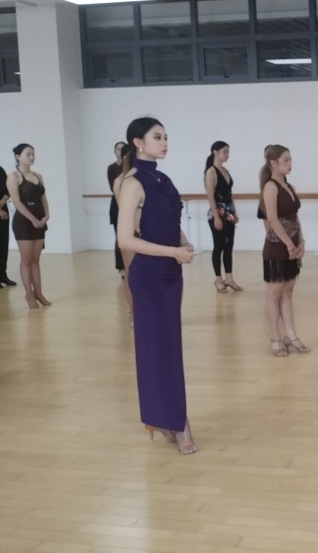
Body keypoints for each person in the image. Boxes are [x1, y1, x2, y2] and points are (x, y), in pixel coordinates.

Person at [117, 117, 197, 455]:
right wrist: (173, 252)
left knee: (170, 348)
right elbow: (125, 239)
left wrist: (183, 242)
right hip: (149, 277)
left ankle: (167, 419)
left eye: (166, 137)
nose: (164, 142)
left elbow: (167, 222)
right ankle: (178, 422)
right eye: (157, 137)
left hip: (170, 274)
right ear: (138, 143)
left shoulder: (163, 178)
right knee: (156, 351)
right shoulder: (133, 183)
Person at [260, 144, 309, 357]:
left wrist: (301, 240)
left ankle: (291, 335)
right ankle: (275, 338)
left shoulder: (289, 185)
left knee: (288, 291)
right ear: (273, 163)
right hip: (277, 246)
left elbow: (294, 216)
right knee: (274, 293)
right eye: (285, 160)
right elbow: (272, 219)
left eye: (290, 159)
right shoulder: (270, 187)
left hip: (293, 245)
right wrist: (289, 244)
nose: (290, 163)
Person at [7, 143, 50, 308]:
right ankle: (29, 295)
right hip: (24, 223)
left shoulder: (38, 175)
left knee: (36, 260)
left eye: (33, 154)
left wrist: (46, 215)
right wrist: (32, 219)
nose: (32, 157)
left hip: (39, 222)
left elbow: (43, 198)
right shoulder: (14, 177)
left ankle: (39, 293)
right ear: (18, 157)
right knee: (26, 260)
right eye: (28, 154)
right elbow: (16, 202)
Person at [204, 140, 242, 293]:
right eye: (225, 151)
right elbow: (210, 196)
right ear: (215, 152)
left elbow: (229, 194)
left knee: (229, 246)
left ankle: (229, 279)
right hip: (217, 213)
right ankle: (218, 279)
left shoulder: (225, 171)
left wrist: (234, 212)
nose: (227, 154)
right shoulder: (211, 172)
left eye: (228, 151)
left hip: (228, 213)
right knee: (218, 246)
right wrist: (216, 217)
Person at [113, 144, 137, 317]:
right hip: (130, 230)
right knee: (131, 271)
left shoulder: (142, 177)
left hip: (145, 229)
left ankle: (143, 310)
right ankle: (134, 311)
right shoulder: (121, 180)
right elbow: (125, 208)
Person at [107, 141, 126, 276]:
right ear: (115, 151)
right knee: (119, 237)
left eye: (123, 149)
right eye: (118, 149)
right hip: (117, 206)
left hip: (130, 204)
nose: (120, 151)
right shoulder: (112, 168)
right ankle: (121, 267)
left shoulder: (130, 166)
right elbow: (113, 188)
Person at [0, 163, 15, 287]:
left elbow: (7, 191)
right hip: (1, 212)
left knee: (3, 244)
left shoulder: (0, 170)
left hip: (3, 213)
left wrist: (1, 205)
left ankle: (2, 275)